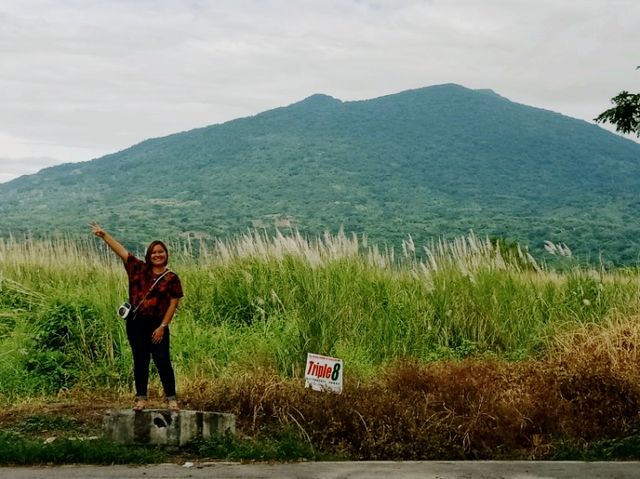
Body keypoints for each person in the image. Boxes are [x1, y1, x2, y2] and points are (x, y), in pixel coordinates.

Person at [90, 223, 183, 411]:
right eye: (154, 252)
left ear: (166, 255)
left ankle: (171, 398)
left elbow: (174, 303)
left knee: (162, 360)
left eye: (161, 252)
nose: (158, 255)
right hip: (136, 323)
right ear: (149, 255)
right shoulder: (138, 269)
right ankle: (141, 398)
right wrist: (104, 235)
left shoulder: (171, 278)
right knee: (140, 360)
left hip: (157, 324)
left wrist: (163, 326)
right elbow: (122, 252)